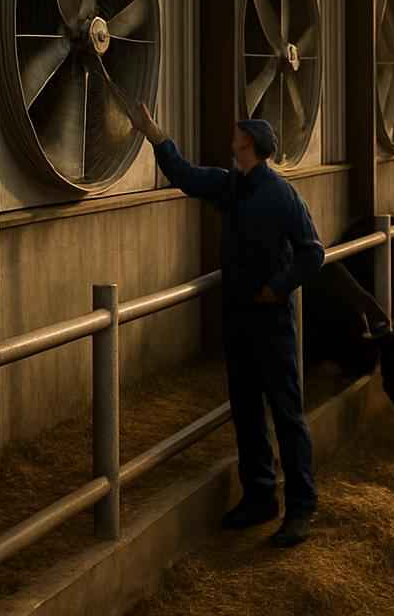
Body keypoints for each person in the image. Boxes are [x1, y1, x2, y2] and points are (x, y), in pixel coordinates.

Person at [117, 93, 325, 548]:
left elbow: (314, 253)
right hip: (239, 319)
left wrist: (278, 286)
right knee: (247, 411)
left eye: (236, 134)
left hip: (272, 322)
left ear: (248, 142)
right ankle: (260, 497)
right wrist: (155, 135)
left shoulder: (282, 196)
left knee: (287, 413)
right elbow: (186, 177)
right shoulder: (233, 186)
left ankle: (302, 508)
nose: (231, 139)